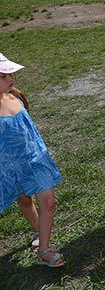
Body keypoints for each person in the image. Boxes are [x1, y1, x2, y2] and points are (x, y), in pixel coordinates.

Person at [0, 54, 64, 267]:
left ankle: (44, 250)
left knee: (48, 201)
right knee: (25, 201)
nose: (11, 78)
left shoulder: (15, 97)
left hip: (35, 158)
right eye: (4, 76)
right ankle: (39, 230)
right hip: (9, 167)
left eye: (10, 73)